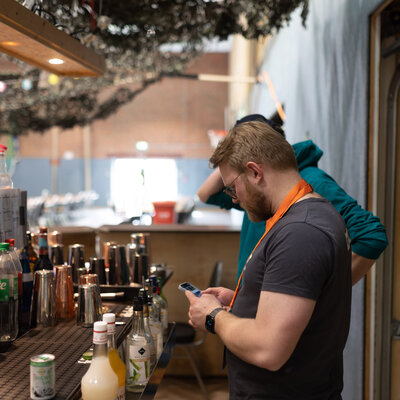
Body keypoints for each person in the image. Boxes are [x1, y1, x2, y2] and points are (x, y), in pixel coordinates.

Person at [186, 120, 352, 399]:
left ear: (254, 172)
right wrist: (242, 300)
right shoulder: (303, 217)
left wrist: (213, 316)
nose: (234, 199)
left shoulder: (301, 232)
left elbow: (268, 349)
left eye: (232, 187)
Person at [198, 115, 388, 285]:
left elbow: (370, 235)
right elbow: (206, 194)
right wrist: (232, 159)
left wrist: (322, 294)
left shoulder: (313, 182)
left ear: (255, 169)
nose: (234, 198)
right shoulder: (257, 193)